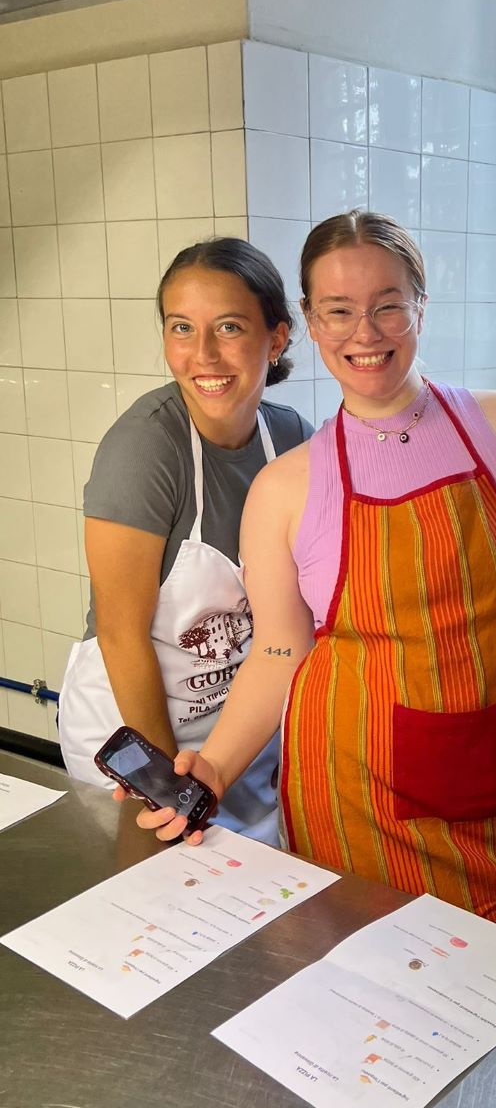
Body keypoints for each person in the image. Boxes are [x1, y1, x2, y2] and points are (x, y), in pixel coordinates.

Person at [132, 211, 496, 933]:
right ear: (310, 322)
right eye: (340, 312)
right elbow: (281, 648)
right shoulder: (287, 485)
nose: (365, 333)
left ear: (421, 306)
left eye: (387, 307)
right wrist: (215, 766)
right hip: (356, 793)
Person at [60, 239, 313, 844]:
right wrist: (167, 787)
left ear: (276, 338)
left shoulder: (293, 438)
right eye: (181, 328)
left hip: (237, 741)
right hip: (137, 739)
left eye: (228, 327)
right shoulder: (146, 448)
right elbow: (122, 633)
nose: (203, 355)